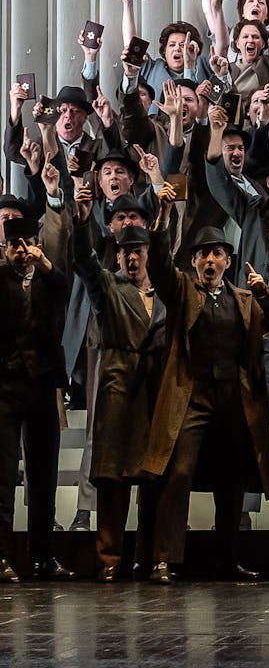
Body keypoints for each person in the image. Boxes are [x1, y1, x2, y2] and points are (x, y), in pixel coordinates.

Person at [142, 185, 269, 584]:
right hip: (192, 396)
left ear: (228, 261)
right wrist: (162, 219)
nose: (210, 260)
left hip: (232, 399)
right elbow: (159, 266)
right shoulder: (182, 291)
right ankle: (164, 558)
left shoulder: (244, 299)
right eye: (203, 255)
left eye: (217, 254)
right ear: (193, 262)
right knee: (178, 473)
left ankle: (227, 559)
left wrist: (264, 292)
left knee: (232, 481)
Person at [71, 197, 166, 582]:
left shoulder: (163, 294)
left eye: (138, 250)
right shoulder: (109, 286)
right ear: (118, 255)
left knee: (153, 479)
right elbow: (85, 264)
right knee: (112, 479)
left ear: (148, 253)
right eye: (126, 251)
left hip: (152, 391)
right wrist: (81, 225)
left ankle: (149, 556)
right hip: (116, 388)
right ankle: (110, 558)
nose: (132, 257)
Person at [0, 215, 73, 582]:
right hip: (5, 387)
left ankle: (43, 556)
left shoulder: (48, 281)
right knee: (2, 474)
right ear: (4, 248)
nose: (21, 251)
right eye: (14, 245)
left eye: (27, 244)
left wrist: (43, 263)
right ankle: (1, 555)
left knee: (44, 475)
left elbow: (65, 289)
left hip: (42, 385)